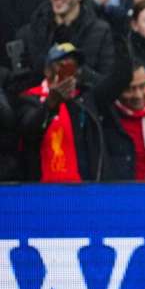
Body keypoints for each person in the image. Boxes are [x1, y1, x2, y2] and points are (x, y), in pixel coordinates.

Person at [17, 38, 132, 181]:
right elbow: (29, 130)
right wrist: (49, 105)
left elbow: (121, 77)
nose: (69, 71)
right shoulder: (30, 98)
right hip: (43, 194)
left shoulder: (87, 99)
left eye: (74, 66)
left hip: (86, 192)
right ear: (47, 71)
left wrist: (120, 38)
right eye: (62, 65)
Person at [16, 0, 114, 83]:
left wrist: (76, 70)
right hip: (39, 100)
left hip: (84, 100)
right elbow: (17, 83)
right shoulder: (28, 33)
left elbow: (107, 83)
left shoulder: (101, 32)